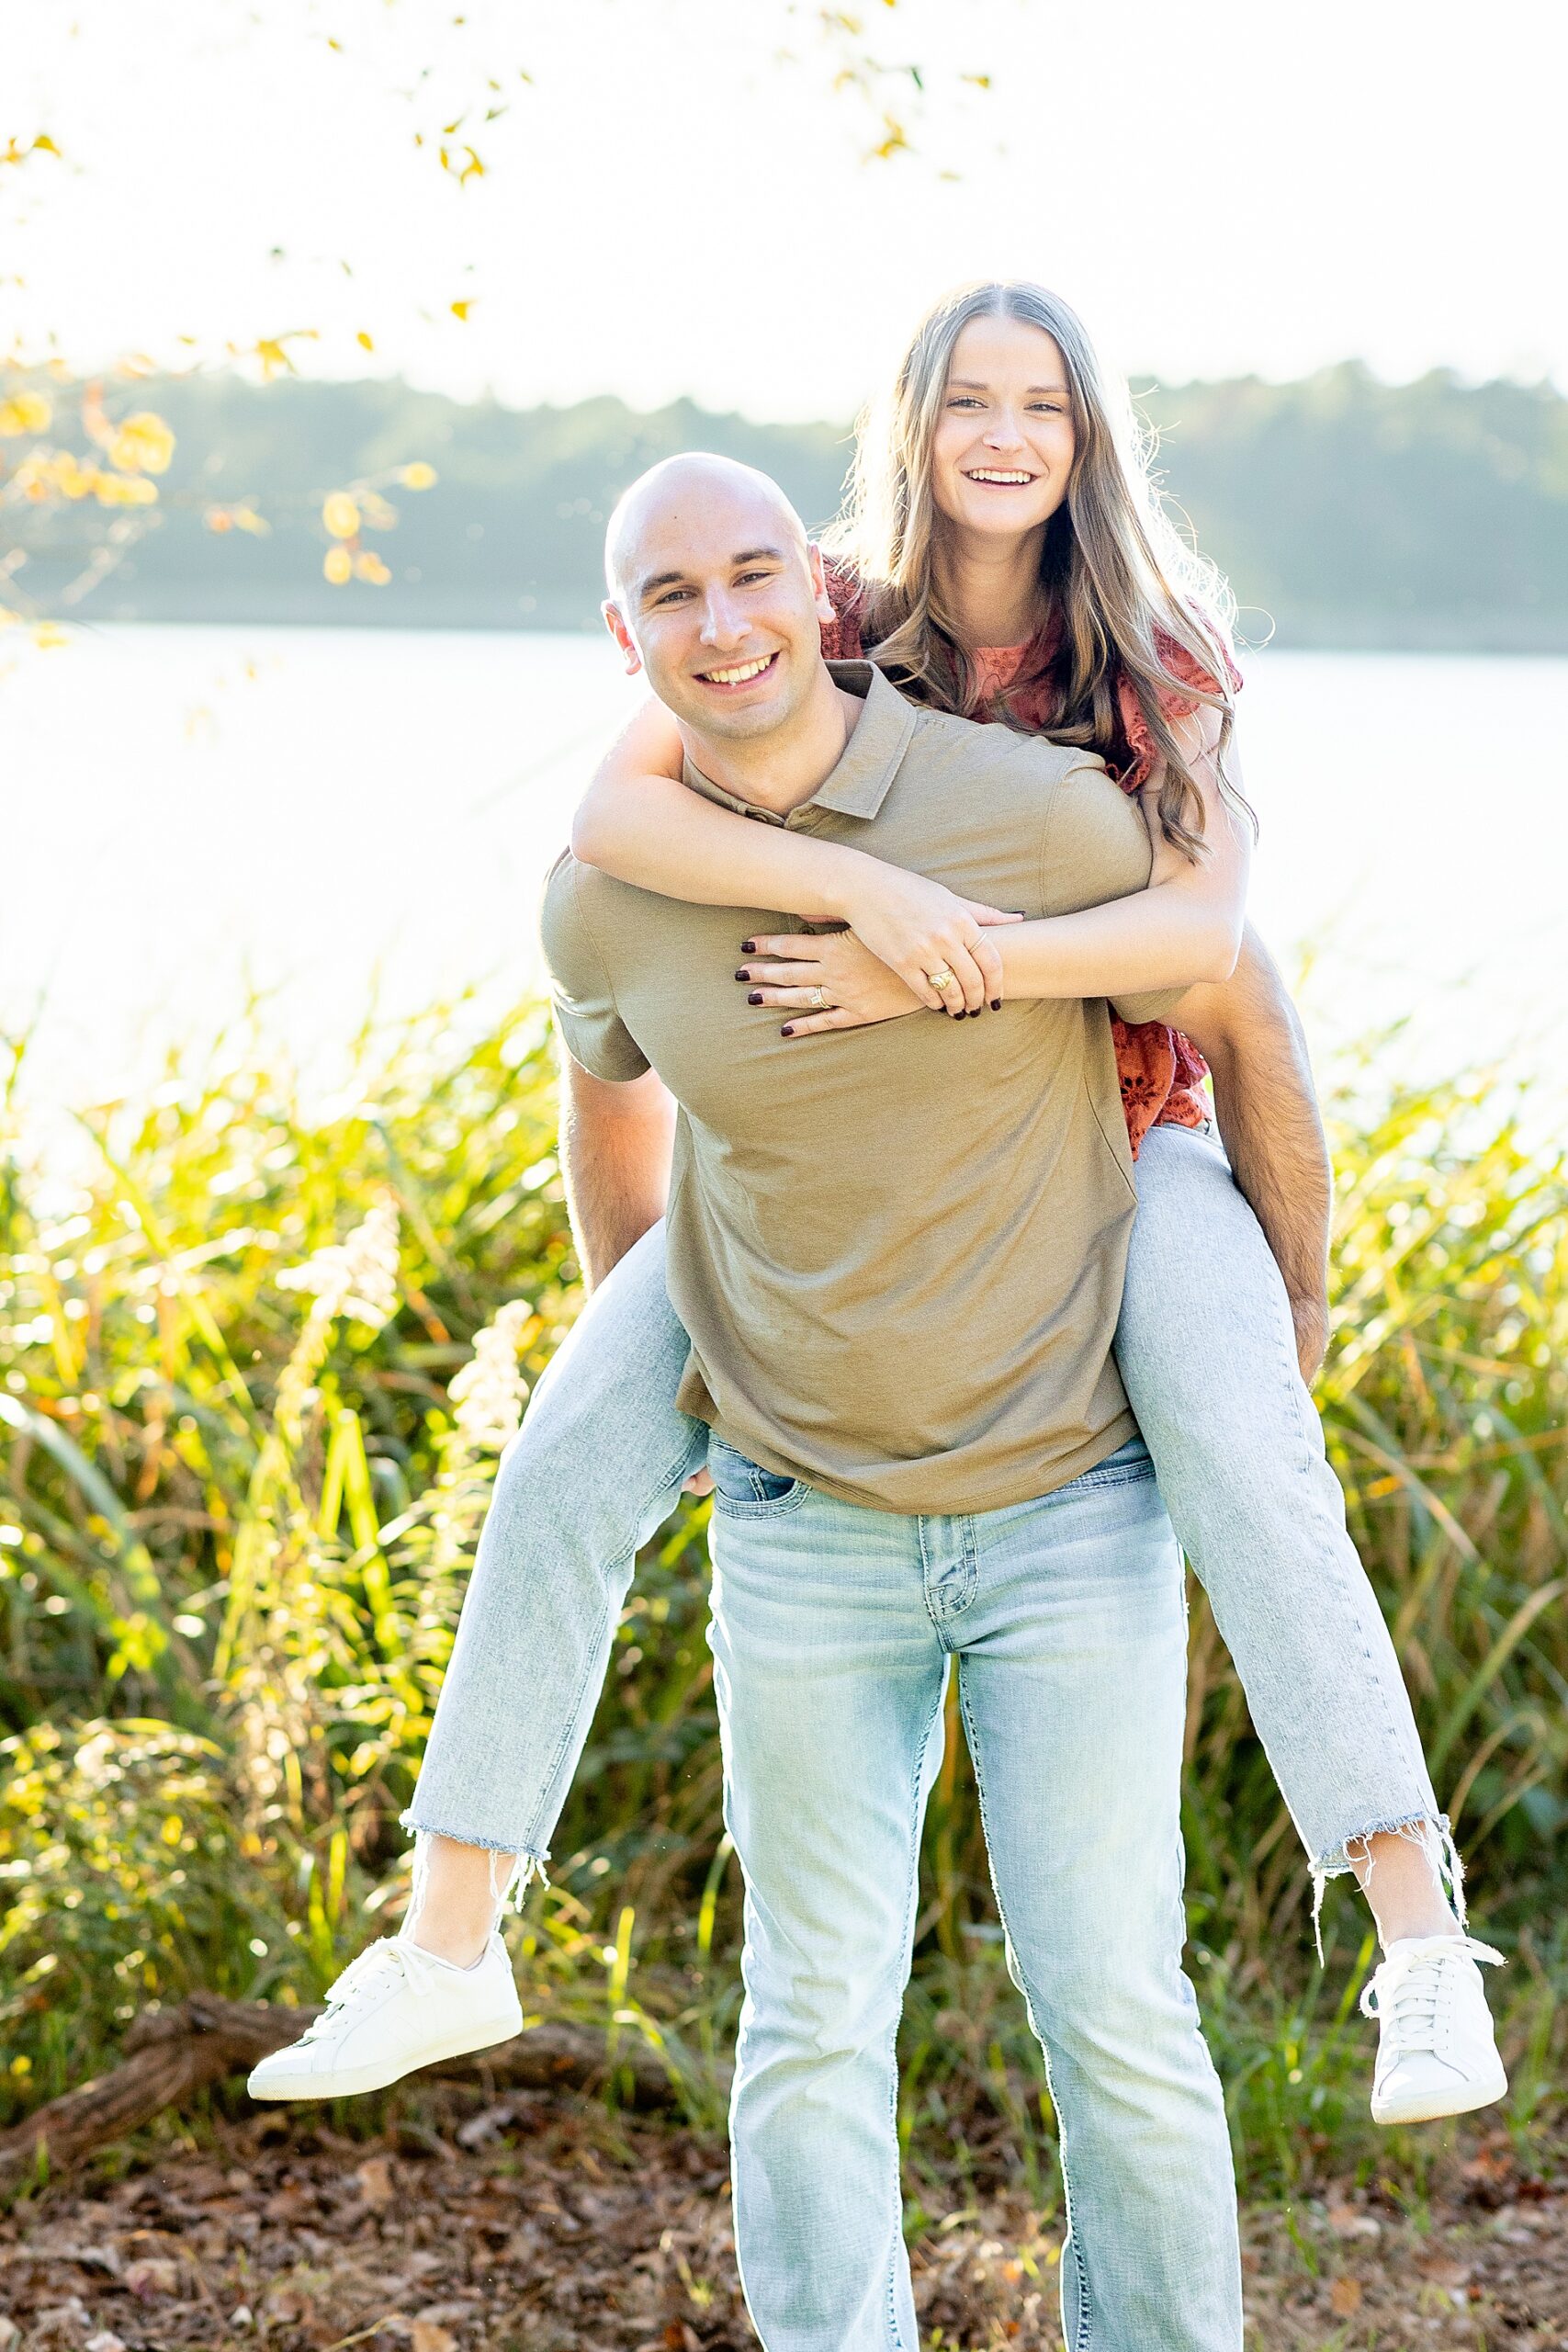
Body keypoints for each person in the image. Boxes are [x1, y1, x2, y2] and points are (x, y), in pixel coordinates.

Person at [249, 285, 1504, 2143]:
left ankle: (1409, 1933)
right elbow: (616, 821)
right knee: (573, 1431)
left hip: (1118, 1123)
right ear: (907, 430)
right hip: (836, 1172)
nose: (1000, 439)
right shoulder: (806, 604)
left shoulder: (1155, 649)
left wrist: (949, 966)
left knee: (1242, 1434)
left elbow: (1201, 953)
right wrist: (840, 918)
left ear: (1087, 440)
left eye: (1041, 408)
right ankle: (449, 1932)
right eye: (963, 404)